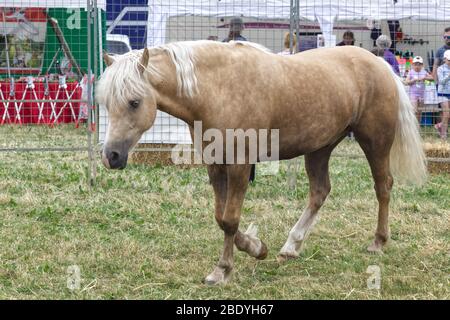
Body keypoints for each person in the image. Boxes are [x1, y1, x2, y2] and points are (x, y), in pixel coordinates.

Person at [405, 56, 434, 123]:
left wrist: (425, 78)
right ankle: (413, 124)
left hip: (422, 95)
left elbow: (432, 78)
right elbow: (406, 82)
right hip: (413, 94)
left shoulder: (424, 72)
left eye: (419, 64)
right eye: (415, 64)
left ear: (422, 65)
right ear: (412, 65)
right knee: (414, 110)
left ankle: (417, 126)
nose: (417, 66)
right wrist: (413, 80)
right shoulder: (411, 72)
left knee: (419, 112)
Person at [435, 49, 450, 140]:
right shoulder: (440, 69)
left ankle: (439, 126)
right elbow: (441, 81)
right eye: (449, 60)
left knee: (448, 114)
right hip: (442, 93)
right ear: (444, 59)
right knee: (446, 114)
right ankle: (443, 135)